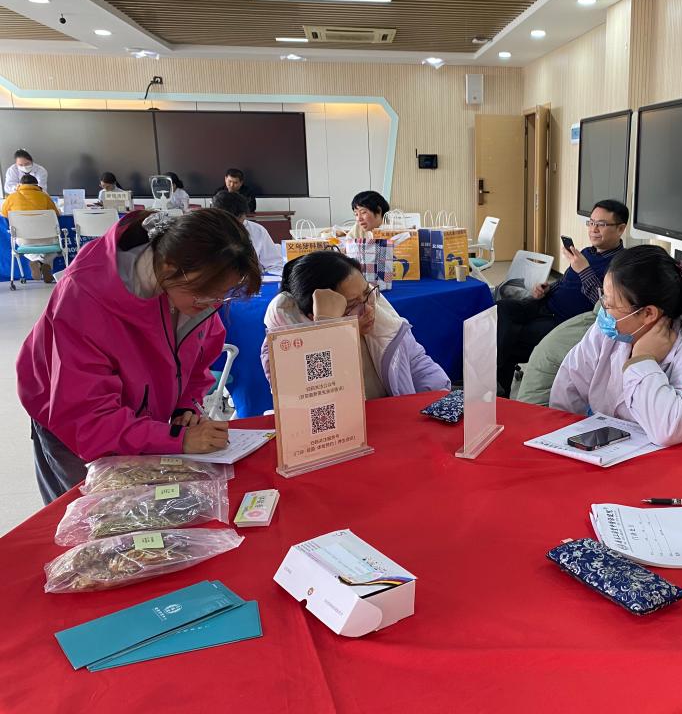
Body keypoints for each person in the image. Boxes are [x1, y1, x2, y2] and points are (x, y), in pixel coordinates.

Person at [17, 207, 261, 503]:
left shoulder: (192, 292)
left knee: (142, 508)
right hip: (70, 421)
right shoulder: (84, 299)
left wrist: (184, 409)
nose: (213, 304)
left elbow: (198, 359)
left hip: (136, 417)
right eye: (205, 294)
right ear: (169, 266)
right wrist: (178, 439)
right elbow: (88, 421)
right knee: (91, 510)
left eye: (223, 294)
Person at [550, 244, 682, 473]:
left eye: (610, 304)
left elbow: (669, 427)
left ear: (648, 313)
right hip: (631, 461)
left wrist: (642, 360)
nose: (603, 309)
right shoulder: (610, 332)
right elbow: (568, 390)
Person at [261, 250, 449, 398]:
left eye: (367, 292)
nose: (368, 309)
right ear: (312, 315)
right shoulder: (283, 348)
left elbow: (417, 362)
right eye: (351, 305)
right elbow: (314, 402)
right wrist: (327, 328)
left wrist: (439, 397)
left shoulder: (380, 319)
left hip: (394, 423)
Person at [497, 199, 628, 396]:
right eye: (591, 222)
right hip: (545, 304)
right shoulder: (587, 252)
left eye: (601, 224)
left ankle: (498, 386)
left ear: (620, 229)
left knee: (511, 338)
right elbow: (567, 281)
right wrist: (547, 288)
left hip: (564, 321)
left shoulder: (621, 265)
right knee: (502, 308)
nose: (593, 229)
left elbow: (605, 305)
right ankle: (497, 375)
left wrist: (583, 269)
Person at [1, 174, 60, 283]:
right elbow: (56, 214)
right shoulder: (45, 196)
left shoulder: (11, 197)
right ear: (37, 185)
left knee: (25, 247)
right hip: (47, 238)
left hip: (24, 239)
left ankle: (36, 261)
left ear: (20, 185)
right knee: (56, 247)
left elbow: (4, 214)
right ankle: (45, 264)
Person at [212, 190, 283, 275]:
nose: (236, 225)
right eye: (231, 220)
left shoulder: (257, 231)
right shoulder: (207, 231)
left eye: (240, 218)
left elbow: (275, 265)